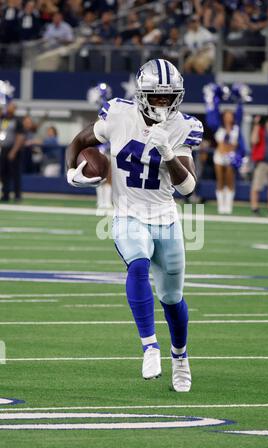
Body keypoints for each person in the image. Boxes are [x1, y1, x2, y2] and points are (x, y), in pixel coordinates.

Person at [66, 59, 204, 392]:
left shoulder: (183, 126)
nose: (163, 103)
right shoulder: (117, 114)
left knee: (172, 298)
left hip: (166, 220)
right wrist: (72, 173)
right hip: (128, 214)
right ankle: (149, 346)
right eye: (156, 97)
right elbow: (79, 142)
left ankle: (180, 358)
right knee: (138, 265)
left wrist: (168, 154)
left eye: (169, 97)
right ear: (142, 95)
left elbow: (188, 188)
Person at [204, 83, 246, 214]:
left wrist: (241, 100)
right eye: (226, 115)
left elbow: (240, 113)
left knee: (230, 180)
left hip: (231, 156)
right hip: (219, 156)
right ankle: (221, 205)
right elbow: (213, 113)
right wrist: (214, 99)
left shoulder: (236, 128)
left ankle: (229, 205)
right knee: (220, 180)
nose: (229, 117)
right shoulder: (218, 127)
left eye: (230, 115)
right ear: (223, 117)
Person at [0, 101, 25, 202]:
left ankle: (17, 195)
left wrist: (13, 151)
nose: (8, 109)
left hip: (14, 150)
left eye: (11, 107)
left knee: (15, 173)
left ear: (14, 109)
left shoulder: (17, 121)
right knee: (3, 172)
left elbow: (20, 137)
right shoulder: (4, 120)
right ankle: (5, 194)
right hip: (4, 149)